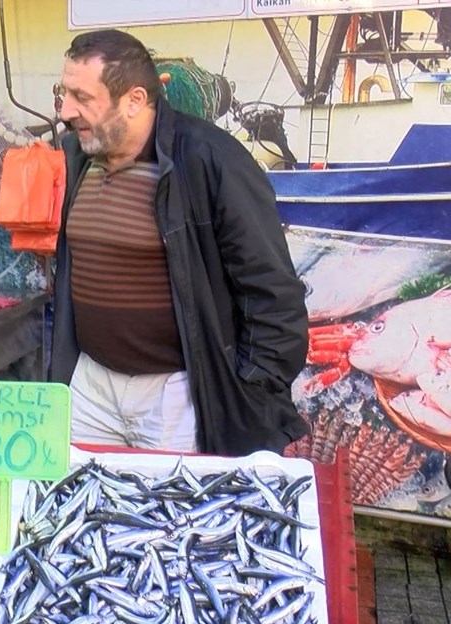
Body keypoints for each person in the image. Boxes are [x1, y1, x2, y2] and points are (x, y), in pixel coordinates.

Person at [49, 30, 309, 456]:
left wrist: (245, 393)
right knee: (85, 506)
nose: (65, 111)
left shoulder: (213, 161)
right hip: (90, 387)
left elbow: (273, 294)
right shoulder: (78, 157)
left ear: (134, 100)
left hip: (176, 396)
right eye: (64, 93)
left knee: (173, 518)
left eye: (81, 96)